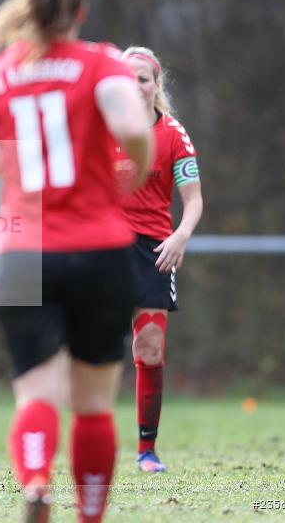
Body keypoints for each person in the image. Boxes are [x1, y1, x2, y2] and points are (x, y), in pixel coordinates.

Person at [0, 0, 153, 523]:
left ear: (25, 5)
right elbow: (131, 126)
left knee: (36, 392)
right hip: (101, 251)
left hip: (25, 253)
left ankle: (38, 481)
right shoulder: (102, 64)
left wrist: (23, 164)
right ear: (81, 9)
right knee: (93, 404)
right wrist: (135, 166)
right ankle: (90, 513)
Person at [113, 46, 203, 473]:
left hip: (153, 249)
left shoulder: (172, 134)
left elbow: (194, 199)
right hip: (104, 247)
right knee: (87, 345)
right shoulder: (101, 130)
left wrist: (181, 235)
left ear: (155, 85)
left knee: (149, 347)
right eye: (126, 78)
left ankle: (146, 450)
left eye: (143, 78)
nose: (135, 85)